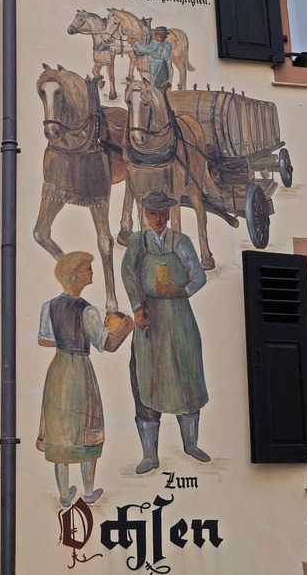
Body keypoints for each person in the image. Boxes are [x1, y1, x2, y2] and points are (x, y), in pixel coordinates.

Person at [121, 191, 210, 473]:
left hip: (180, 318)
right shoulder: (138, 242)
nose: (158, 219)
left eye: (163, 214)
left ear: (169, 215)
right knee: (148, 379)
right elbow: (128, 274)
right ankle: (150, 455)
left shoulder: (180, 241)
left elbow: (199, 275)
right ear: (145, 215)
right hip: (151, 319)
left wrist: (181, 290)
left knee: (187, 374)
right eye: (153, 214)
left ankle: (191, 443)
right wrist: (137, 308)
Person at [36, 251, 133, 506]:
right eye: (88, 269)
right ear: (75, 274)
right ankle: (88, 491)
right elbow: (108, 345)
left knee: (60, 429)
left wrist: (64, 337)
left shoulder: (50, 306)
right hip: (79, 369)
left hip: (58, 370)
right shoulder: (87, 310)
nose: (91, 273)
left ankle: (64, 494)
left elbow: (43, 339)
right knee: (87, 426)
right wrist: (127, 327)